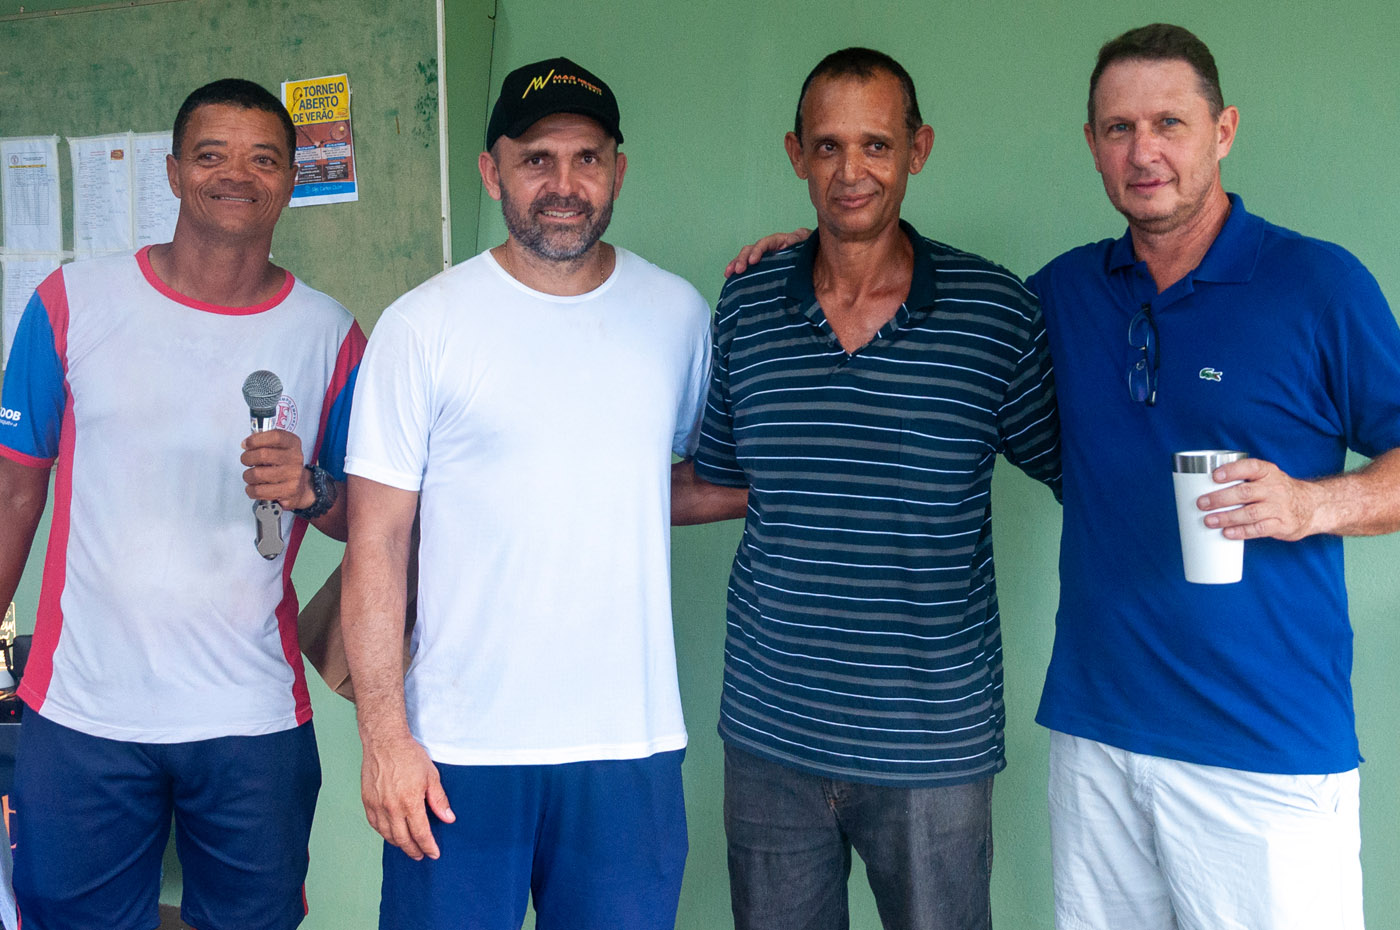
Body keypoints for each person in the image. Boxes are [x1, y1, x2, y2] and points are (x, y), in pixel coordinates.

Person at [676, 48, 1060, 930]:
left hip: (932, 748)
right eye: (828, 146)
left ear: (918, 150)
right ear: (796, 154)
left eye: (877, 145)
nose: (852, 171)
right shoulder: (747, 307)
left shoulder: (995, 313)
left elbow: (1086, 472)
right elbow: (720, 482)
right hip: (771, 737)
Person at [1027, 23, 1400, 930]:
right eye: (1118, 128)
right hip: (1097, 737)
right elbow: (933, 326)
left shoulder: (1318, 285)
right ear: (1092, 145)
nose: (1143, 151)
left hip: (1265, 748)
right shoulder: (1065, 293)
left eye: (1170, 123)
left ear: (1223, 131)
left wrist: (1313, 502)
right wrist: (828, 250)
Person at [340, 57, 711, 930]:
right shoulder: (423, 326)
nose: (564, 185)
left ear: (618, 170)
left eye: (587, 159)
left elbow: (704, 479)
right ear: (491, 171)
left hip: (629, 746)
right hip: (457, 749)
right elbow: (377, 540)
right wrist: (385, 738)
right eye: (536, 159)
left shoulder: (678, 315)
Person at [0, 78, 363, 930]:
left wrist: (310, 488)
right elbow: (14, 489)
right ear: (172, 172)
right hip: (82, 709)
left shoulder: (330, 333)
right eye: (211, 155)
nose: (236, 174)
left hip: (251, 716)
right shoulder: (70, 303)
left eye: (263, 158)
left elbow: (365, 519)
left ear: (291, 179)